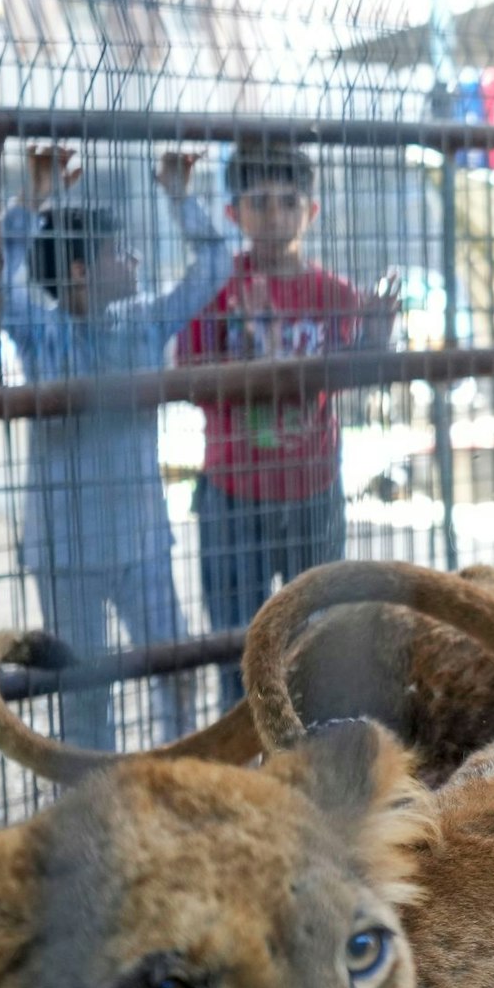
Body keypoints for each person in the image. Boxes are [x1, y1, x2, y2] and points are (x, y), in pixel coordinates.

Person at [2, 145, 225, 751]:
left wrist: (182, 197)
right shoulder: (41, 333)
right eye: (117, 251)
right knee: (84, 692)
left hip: (140, 543)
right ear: (78, 272)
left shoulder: (143, 323)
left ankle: (171, 781)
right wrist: (33, 200)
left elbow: (215, 266)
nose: (133, 258)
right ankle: (91, 805)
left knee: (175, 673)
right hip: (64, 551)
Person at [179, 143, 395, 710]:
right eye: (259, 203)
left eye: (287, 202)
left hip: (313, 492)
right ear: (234, 214)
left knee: (318, 637)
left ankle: (311, 759)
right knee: (237, 644)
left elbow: (363, 377)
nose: (274, 216)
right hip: (232, 495)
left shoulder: (334, 294)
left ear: (311, 210)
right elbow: (188, 374)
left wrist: (375, 336)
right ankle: (245, 763)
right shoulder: (217, 290)